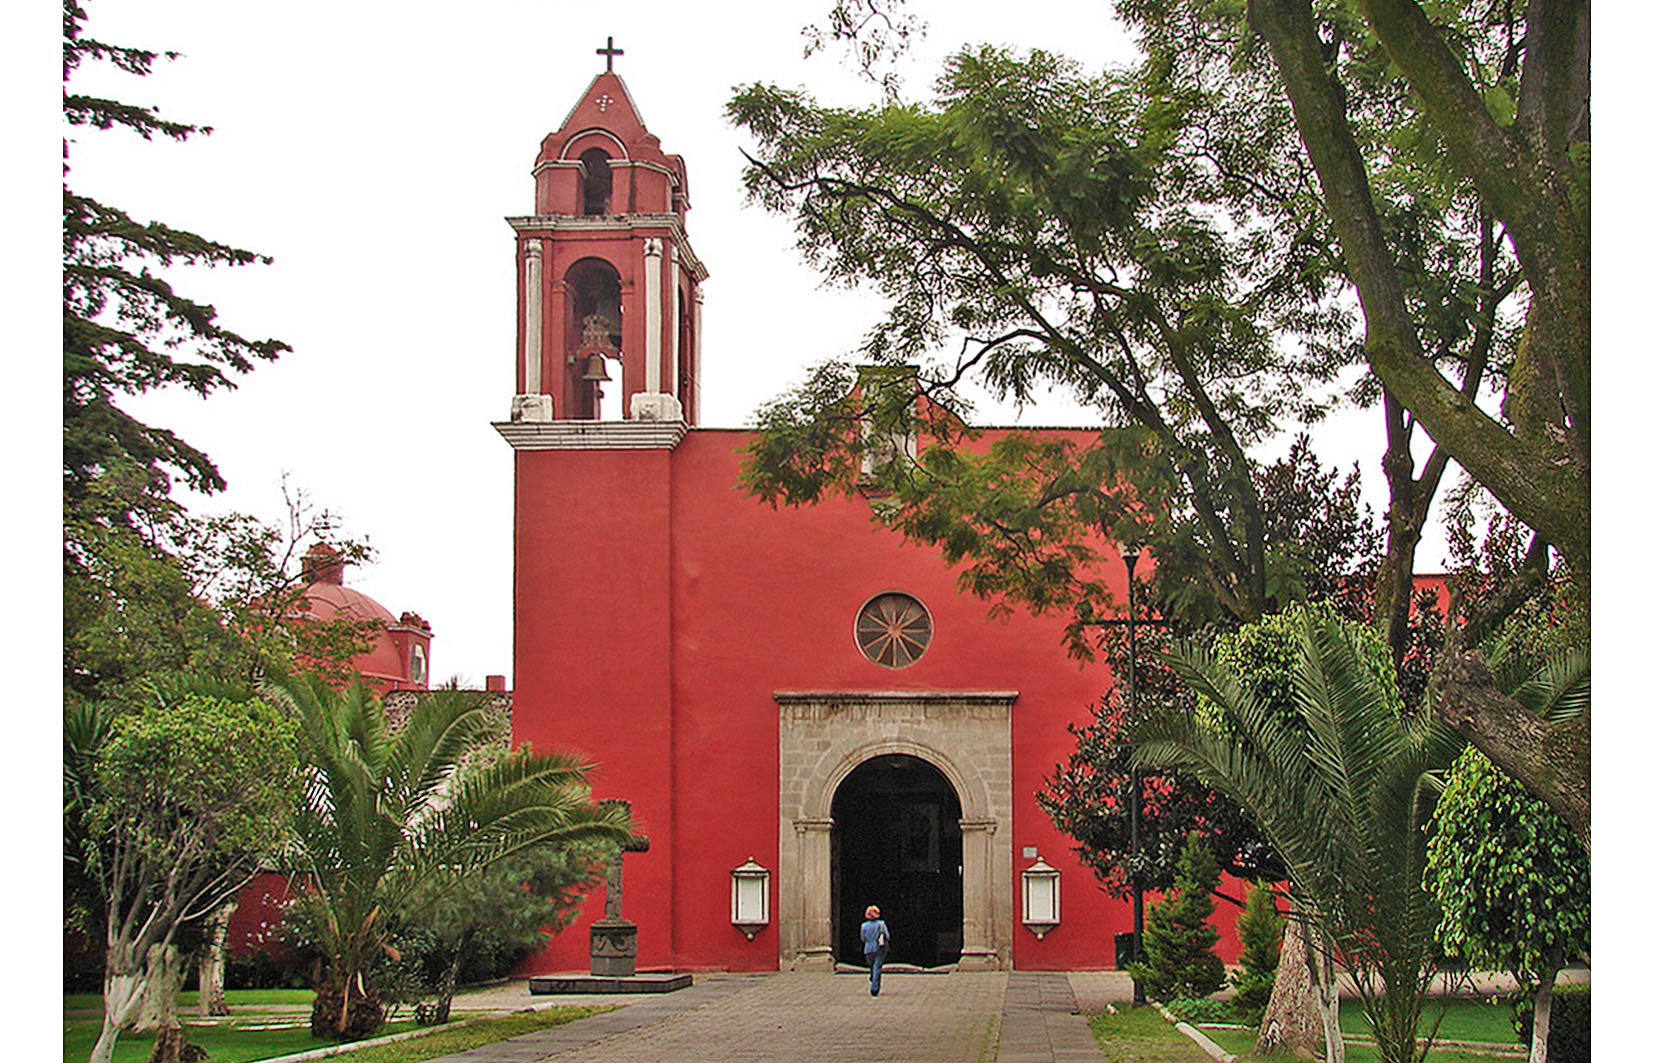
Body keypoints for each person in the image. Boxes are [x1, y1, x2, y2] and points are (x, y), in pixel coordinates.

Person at [859, 905, 891, 996]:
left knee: (872, 966)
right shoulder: (881, 924)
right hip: (879, 948)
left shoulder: (864, 926)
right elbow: (887, 936)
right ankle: (874, 988)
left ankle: (873, 979)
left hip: (868, 949)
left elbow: (863, 938)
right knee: (877, 966)